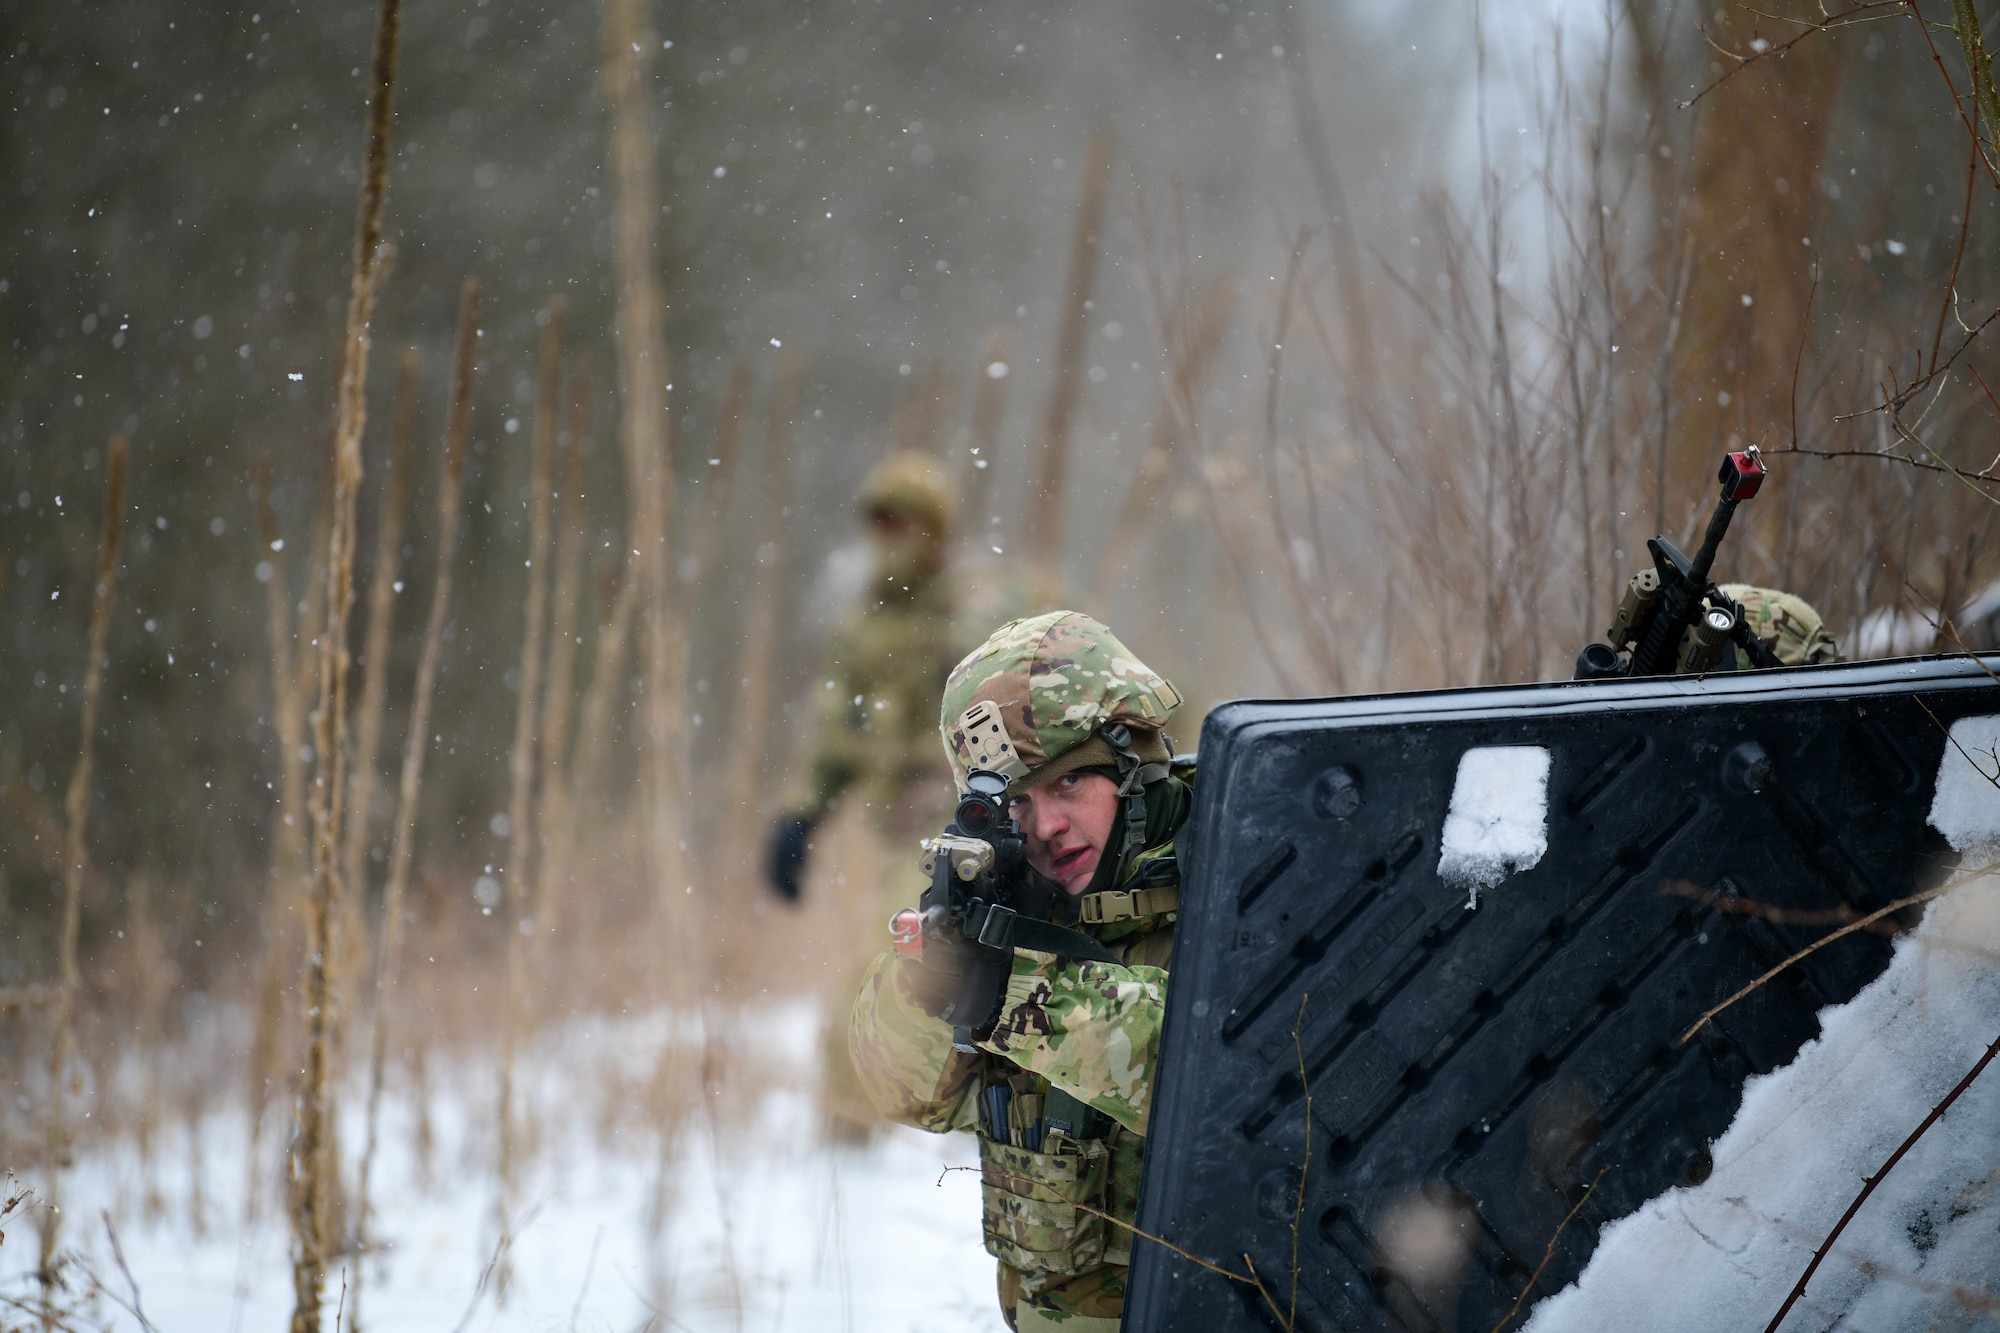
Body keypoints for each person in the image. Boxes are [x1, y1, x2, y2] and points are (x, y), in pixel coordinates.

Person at [850, 610, 1189, 1331]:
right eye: (1018, 804)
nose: (1046, 827)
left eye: (1068, 784)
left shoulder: (1238, 877)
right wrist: (933, 976)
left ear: (1136, 761)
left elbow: (1222, 1078)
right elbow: (901, 1091)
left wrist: (1015, 994)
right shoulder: (1021, 911)